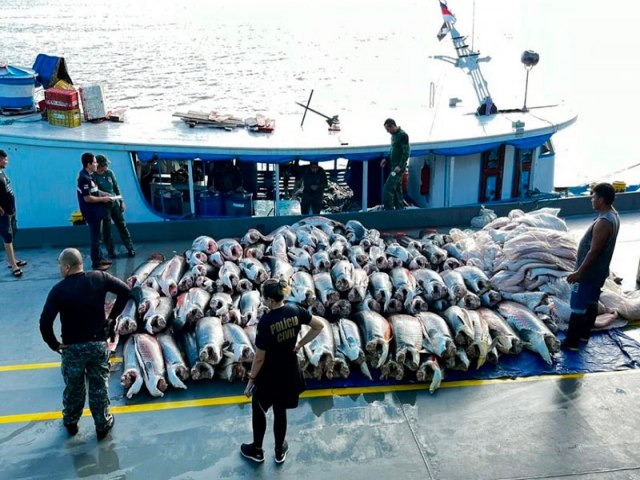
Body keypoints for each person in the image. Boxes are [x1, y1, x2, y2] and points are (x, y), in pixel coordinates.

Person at [39, 248, 131, 439]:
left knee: (74, 387)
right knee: (99, 386)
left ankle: (71, 422)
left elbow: (45, 322)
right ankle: (102, 425)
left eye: (59, 265)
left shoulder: (58, 290)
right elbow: (125, 291)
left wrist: (54, 345)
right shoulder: (100, 277)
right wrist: (112, 317)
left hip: (72, 349)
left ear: (66, 267)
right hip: (98, 345)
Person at [241, 278, 324, 464]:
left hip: (270, 374)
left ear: (270, 300)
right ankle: (279, 451)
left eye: (264, 298)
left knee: (259, 409)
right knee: (280, 411)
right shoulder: (295, 310)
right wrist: (300, 344)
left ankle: (257, 450)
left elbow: (259, 357)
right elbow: (319, 326)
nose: (263, 300)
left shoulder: (266, 322)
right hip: (289, 371)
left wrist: (251, 381)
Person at [562, 183, 620, 351]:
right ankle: (584, 335)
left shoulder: (603, 222)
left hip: (588, 273)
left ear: (601, 200)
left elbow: (594, 251)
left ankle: (572, 342)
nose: (591, 200)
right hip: (599, 271)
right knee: (592, 301)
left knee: (578, 305)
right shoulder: (614, 215)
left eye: (593, 197)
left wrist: (579, 272)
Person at [77, 152, 114, 271]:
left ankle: (100, 257)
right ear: (88, 164)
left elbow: (95, 191)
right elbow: (87, 198)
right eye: (94, 162)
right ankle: (96, 263)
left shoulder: (91, 175)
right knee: (95, 238)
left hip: (97, 211)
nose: (96, 164)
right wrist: (104, 199)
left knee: (98, 236)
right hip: (91, 212)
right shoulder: (84, 178)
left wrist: (106, 194)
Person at [94, 154, 135, 258]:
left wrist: (121, 201)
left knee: (122, 225)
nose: (106, 167)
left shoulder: (110, 173)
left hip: (114, 203)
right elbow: (94, 191)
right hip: (103, 205)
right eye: (104, 165)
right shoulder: (93, 176)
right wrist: (104, 194)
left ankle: (130, 248)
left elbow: (116, 188)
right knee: (106, 229)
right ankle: (111, 251)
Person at [0, 149, 27, 277]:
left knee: (12, 233)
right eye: (5, 159)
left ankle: (13, 259)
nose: (7, 161)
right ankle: (13, 265)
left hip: (11, 210)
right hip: (3, 213)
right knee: (7, 237)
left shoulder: (2, 173)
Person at [381, 118, 410, 210]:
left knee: (388, 188)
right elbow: (393, 150)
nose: (387, 132)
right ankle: (400, 209)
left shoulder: (403, 135)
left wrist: (400, 166)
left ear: (392, 126)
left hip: (397, 169)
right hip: (393, 167)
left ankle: (388, 209)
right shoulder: (393, 136)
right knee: (397, 190)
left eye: (388, 129)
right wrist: (386, 159)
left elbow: (406, 152)